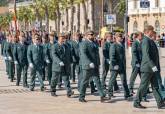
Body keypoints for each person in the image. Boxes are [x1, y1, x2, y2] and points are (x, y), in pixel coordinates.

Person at [134, 25, 165, 109]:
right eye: (152, 30)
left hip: (152, 69)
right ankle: (136, 102)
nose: (153, 32)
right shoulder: (145, 41)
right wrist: (153, 66)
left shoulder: (150, 40)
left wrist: (155, 67)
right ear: (148, 31)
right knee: (143, 86)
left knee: (155, 86)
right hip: (147, 68)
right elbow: (146, 55)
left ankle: (160, 102)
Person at [79, 31, 106, 102]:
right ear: (86, 35)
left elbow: (96, 54)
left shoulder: (94, 43)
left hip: (95, 65)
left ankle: (102, 95)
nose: (92, 36)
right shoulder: (84, 43)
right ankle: (81, 97)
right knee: (85, 81)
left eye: (93, 34)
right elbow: (84, 54)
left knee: (97, 80)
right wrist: (89, 62)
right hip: (87, 66)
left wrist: (98, 63)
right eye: (90, 35)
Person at [108, 32, 131, 100]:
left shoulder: (122, 45)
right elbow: (112, 56)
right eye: (120, 37)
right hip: (115, 66)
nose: (121, 38)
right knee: (112, 80)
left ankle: (126, 94)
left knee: (124, 80)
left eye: (121, 37)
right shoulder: (113, 45)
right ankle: (110, 93)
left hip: (122, 66)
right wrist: (114, 65)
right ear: (116, 38)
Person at [50, 33, 74, 97]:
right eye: (61, 38)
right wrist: (59, 61)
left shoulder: (66, 46)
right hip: (57, 66)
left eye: (64, 38)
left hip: (64, 65)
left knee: (66, 79)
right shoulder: (54, 46)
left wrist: (71, 61)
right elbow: (54, 55)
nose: (63, 39)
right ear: (58, 38)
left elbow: (69, 55)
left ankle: (69, 91)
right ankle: (52, 90)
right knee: (54, 79)